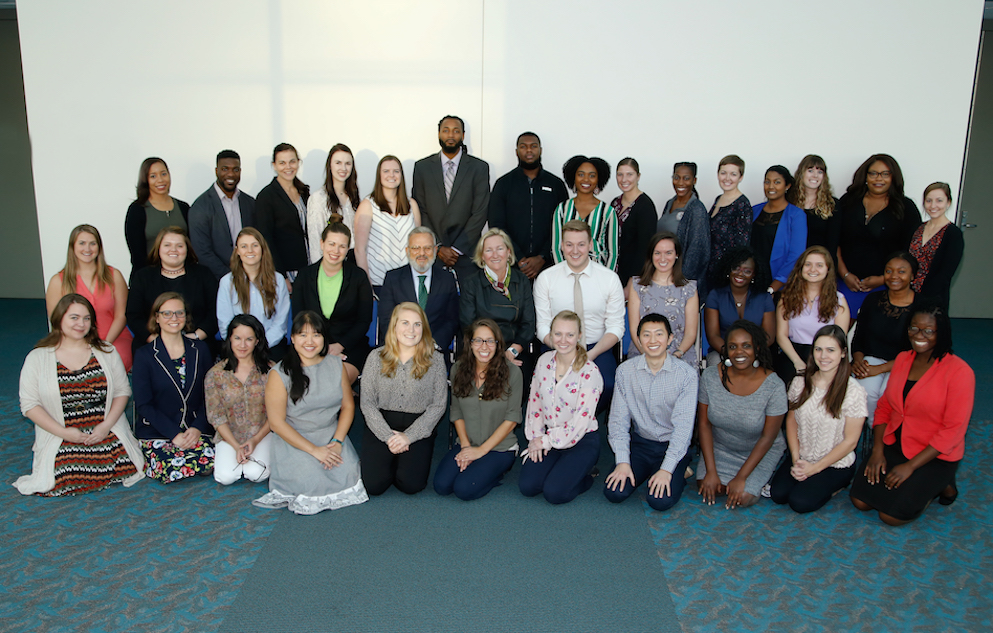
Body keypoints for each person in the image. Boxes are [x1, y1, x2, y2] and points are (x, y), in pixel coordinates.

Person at [850, 300, 974, 525]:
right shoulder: (903, 359)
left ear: (942, 332)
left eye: (929, 331)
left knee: (891, 516)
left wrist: (910, 466)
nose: (920, 335)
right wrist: (878, 450)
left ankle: (941, 484)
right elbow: (885, 408)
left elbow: (953, 430)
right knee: (861, 501)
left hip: (933, 453)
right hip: (896, 442)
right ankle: (934, 484)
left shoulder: (960, 372)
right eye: (914, 328)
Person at [15, 294, 144, 496]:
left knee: (125, 464)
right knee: (66, 473)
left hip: (103, 428)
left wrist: (105, 426)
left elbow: (122, 391)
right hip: (63, 432)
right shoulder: (37, 357)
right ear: (59, 319)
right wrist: (65, 433)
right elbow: (29, 406)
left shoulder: (106, 351)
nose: (80, 324)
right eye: (73, 317)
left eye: (86, 318)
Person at [253, 311, 368, 515]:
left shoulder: (335, 365)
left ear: (324, 338)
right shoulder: (279, 374)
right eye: (303, 335)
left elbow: (348, 407)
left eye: (316, 334)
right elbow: (277, 424)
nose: (310, 341)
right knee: (311, 483)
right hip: (295, 438)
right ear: (293, 338)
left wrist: (338, 442)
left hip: (330, 434)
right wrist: (315, 451)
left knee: (350, 474)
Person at [604, 314, 698, 512]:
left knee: (659, 501)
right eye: (646, 335)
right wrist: (622, 461)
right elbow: (617, 422)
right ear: (638, 340)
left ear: (670, 338)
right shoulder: (625, 371)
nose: (653, 340)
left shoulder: (686, 375)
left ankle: (679, 469)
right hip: (641, 444)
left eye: (659, 334)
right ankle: (650, 470)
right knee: (614, 493)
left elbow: (683, 429)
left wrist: (667, 469)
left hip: (671, 444)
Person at [770, 325, 867, 514]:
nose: (823, 356)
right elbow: (791, 421)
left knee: (800, 503)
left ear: (842, 353)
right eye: (819, 349)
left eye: (831, 350)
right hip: (803, 455)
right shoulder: (800, 382)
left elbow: (851, 441)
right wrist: (797, 459)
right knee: (778, 495)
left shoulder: (853, 391)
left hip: (834, 463)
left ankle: (839, 484)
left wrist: (814, 469)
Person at [697, 320, 787, 509]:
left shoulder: (774, 386)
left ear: (757, 348)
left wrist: (741, 478)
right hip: (721, 445)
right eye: (733, 347)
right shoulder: (710, 377)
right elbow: (704, 425)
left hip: (759, 449)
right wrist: (711, 471)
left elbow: (768, 437)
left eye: (746, 346)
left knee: (742, 497)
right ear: (726, 350)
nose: (739, 352)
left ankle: (766, 474)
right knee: (711, 487)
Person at [359, 303, 447, 496]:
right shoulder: (376, 357)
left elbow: (439, 405)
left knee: (411, 485)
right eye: (405, 323)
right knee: (373, 486)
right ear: (394, 326)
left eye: (417, 324)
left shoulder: (436, 360)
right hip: (382, 423)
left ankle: (400, 460)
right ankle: (390, 458)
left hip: (418, 424)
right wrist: (388, 437)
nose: (411, 330)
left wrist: (409, 436)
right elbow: (367, 402)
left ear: (423, 329)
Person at [519, 310, 604, 505]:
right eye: (558, 334)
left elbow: (580, 423)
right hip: (549, 435)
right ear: (550, 335)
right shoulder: (543, 361)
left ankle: (586, 474)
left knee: (555, 493)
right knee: (528, 486)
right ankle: (563, 468)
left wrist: (547, 442)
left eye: (570, 335)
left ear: (579, 336)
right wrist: (535, 439)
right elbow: (535, 402)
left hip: (581, 439)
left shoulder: (590, 372)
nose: (563, 340)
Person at [433, 319, 523, 500]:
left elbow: (512, 418)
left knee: (464, 489)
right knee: (442, 486)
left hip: (499, 448)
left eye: (490, 341)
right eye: (478, 340)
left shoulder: (512, 372)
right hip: (468, 442)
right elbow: (456, 411)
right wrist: (466, 446)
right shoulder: (458, 369)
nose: (484, 346)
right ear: (470, 343)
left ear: (498, 345)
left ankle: (497, 473)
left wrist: (481, 451)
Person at [534, 220, 625, 395]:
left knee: (606, 385)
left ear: (590, 245)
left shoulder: (609, 279)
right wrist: (561, 347)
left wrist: (591, 355)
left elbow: (616, 326)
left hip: (596, 347)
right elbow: (543, 325)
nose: (575, 251)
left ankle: (587, 421)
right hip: (557, 346)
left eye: (581, 244)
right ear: (562, 245)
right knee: (550, 386)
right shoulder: (546, 278)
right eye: (569, 244)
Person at [132, 292, 214, 484]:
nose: (174, 318)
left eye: (179, 313)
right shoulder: (144, 355)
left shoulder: (200, 349)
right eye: (167, 313)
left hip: (193, 428)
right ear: (157, 318)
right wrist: (174, 434)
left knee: (212, 462)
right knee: (172, 466)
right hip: (159, 430)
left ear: (186, 317)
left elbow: (211, 395)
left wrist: (197, 427)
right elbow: (144, 404)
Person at [836, 154, 921, 316]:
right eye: (873, 173)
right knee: (841, 330)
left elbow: (910, 252)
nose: (878, 178)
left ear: (893, 177)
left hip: (887, 285)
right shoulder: (848, 201)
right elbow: (834, 241)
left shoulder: (906, 208)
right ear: (865, 176)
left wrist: (883, 279)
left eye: (885, 174)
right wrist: (845, 274)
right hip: (846, 282)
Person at [412, 115, 491, 284]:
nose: (450, 135)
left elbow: (480, 212)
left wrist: (456, 249)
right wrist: (438, 246)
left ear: (462, 136)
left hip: (467, 255)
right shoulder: (422, 167)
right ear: (439, 134)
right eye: (446, 130)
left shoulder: (479, 168)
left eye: (456, 131)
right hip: (432, 255)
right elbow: (420, 209)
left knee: (467, 308)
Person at [292, 222, 373, 384]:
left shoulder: (358, 277)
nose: (336, 251)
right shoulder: (304, 276)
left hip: (350, 345)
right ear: (322, 244)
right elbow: (299, 318)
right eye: (332, 244)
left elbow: (364, 320)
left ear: (348, 249)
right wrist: (318, 347)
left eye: (342, 246)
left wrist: (340, 345)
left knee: (336, 381)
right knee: (308, 381)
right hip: (310, 344)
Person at [45, 225, 134, 370]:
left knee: (116, 360)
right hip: (74, 340)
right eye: (82, 243)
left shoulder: (114, 275)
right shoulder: (58, 281)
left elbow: (121, 315)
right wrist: (81, 346)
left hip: (113, 338)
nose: (88, 249)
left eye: (93, 243)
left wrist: (104, 344)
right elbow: (57, 321)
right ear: (72, 247)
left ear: (99, 247)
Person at [127, 226, 219, 357]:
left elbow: (214, 312)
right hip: (152, 345)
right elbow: (134, 315)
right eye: (167, 245)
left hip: (197, 344)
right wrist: (157, 341)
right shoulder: (143, 277)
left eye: (179, 246)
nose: (173, 250)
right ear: (158, 248)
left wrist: (196, 337)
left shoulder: (204, 275)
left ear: (187, 249)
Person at [488, 131, 569, 280]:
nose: (529, 150)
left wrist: (543, 256)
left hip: (549, 266)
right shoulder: (504, 184)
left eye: (533, 146)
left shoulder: (556, 184)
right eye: (523, 146)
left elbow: (563, 225)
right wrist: (518, 257)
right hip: (511, 264)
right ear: (517, 151)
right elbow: (496, 224)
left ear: (540, 150)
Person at [206, 315, 272, 485]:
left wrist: (255, 439)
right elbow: (216, 415)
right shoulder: (216, 374)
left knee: (256, 473)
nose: (242, 345)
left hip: (262, 433)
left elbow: (277, 412)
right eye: (237, 338)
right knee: (225, 477)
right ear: (229, 339)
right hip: (229, 436)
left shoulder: (272, 371)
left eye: (249, 339)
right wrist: (236, 446)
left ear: (257, 341)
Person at [851, 252, 917, 424]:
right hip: (871, 359)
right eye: (889, 271)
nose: (894, 276)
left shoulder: (922, 305)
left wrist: (881, 369)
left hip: (906, 363)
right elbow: (858, 337)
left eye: (901, 272)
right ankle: (874, 432)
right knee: (864, 393)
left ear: (913, 276)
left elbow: (919, 352)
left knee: (889, 395)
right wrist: (858, 362)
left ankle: (885, 436)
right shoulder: (872, 300)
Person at [459, 228, 536, 371]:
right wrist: (489, 351)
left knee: (520, 373)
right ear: (482, 256)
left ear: (508, 252)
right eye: (488, 250)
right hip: (481, 348)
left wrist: (512, 352)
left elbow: (528, 324)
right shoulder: (471, 283)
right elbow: (468, 324)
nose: (495, 255)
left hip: (514, 349)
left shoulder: (522, 280)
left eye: (499, 249)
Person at [378, 227, 460, 358]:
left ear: (434, 250)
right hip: (399, 352)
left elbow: (452, 320)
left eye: (427, 248)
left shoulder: (447, 279)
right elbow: (386, 319)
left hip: (433, 352)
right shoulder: (393, 278)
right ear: (407, 251)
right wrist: (405, 346)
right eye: (416, 248)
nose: (422, 253)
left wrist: (433, 345)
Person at [775, 246, 850, 383]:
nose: (812, 269)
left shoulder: (839, 300)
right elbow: (781, 335)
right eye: (807, 264)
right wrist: (797, 362)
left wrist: (822, 362)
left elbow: (839, 339)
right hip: (793, 354)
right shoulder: (786, 298)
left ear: (828, 270)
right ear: (800, 268)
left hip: (825, 356)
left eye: (819, 265)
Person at [217, 228, 291, 361]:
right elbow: (225, 324)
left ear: (262, 249)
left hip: (271, 346)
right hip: (238, 348)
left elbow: (280, 323)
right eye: (244, 246)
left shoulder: (278, 280)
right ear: (237, 251)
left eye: (255, 245)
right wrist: (244, 345)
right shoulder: (227, 282)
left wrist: (260, 345)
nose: (250, 251)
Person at [628, 232, 699, 367]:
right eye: (657, 253)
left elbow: (690, 333)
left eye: (668, 253)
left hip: (679, 356)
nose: (662, 258)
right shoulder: (637, 285)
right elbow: (634, 328)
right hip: (643, 353)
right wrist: (648, 356)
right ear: (651, 255)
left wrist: (676, 356)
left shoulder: (689, 289)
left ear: (676, 255)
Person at [353, 155, 420, 291]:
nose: (392, 175)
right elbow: (359, 250)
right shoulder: (368, 205)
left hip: (408, 281)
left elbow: (418, 245)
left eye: (396, 171)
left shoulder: (411, 205)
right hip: (379, 282)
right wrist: (367, 286)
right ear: (379, 175)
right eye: (386, 171)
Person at [188, 149, 257, 279]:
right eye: (225, 169)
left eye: (235, 169)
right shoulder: (200, 206)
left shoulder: (250, 203)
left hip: (250, 277)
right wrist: (231, 277)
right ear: (216, 171)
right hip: (217, 281)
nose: (230, 174)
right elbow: (202, 252)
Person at [704, 246, 775, 368]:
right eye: (736, 268)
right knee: (715, 365)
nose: (740, 274)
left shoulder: (764, 298)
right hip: (722, 352)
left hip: (756, 353)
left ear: (754, 275)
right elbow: (713, 336)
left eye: (747, 271)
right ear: (728, 269)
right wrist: (732, 354)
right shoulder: (715, 295)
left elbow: (768, 336)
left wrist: (750, 354)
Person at [551, 155, 618, 271]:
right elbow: (556, 248)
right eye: (581, 174)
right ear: (573, 177)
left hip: (597, 275)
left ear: (599, 179)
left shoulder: (608, 212)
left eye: (592, 175)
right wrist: (564, 275)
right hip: (567, 274)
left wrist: (606, 279)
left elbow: (612, 253)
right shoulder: (562, 209)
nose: (586, 179)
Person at [255, 143, 310, 282]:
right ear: (274, 165)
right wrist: (280, 275)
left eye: (292, 161)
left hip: (308, 265)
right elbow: (265, 239)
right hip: (286, 270)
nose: (288, 167)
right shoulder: (266, 197)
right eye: (282, 163)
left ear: (298, 162)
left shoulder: (304, 192)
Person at [125, 157, 190, 270]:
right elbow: (137, 255)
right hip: (148, 278)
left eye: (163, 174)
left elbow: (191, 247)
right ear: (145, 180)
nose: (160, 180)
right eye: (153, 176)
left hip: (182, 277)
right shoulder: (137, 210)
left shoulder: (183, 207)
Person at [751, 165, 807, 292]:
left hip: (779, 285)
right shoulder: (754, 210)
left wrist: (773, 287)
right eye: (767, 181)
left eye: (777, 182)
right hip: (752, 281)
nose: (771, 186)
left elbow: (796, 255)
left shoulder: (796, 215)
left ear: (787, 186)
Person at [909, 182, 964, 311]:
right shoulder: (916, 228)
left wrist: (922, 297)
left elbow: (945, 273)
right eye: (929, 201)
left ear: (948, 203)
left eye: (939, 201)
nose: (933, 206)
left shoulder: (953, 234)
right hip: (906, 294)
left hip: (933, 296)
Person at [657, 161, 711, 288]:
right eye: (676, 177)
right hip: (664, 273)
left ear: (694, 180)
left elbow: (697, 251)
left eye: (686, 178)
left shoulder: (696, 209)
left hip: (680, 280)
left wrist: (680, 280)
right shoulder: (670, 203)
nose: (680, 183)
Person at [306, 143, 360, 263]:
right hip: (331, 263)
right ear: (330, 165)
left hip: (353, 262)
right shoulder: (318, 199)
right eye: (338, 163)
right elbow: (315, 244)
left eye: (348, 163)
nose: (343, 168)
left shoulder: (353, 196)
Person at [706, 155, 751, 293]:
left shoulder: (742, 204)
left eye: (733, 174)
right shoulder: (719, 199)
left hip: (726, 274)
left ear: (740, 177)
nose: (727, 178)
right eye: (723, 173)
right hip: (710, 270)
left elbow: (743, 246)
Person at [611, 157, 658, 287]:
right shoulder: (615, 203)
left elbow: (645, 248)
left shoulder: (645, 206)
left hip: (632, 277)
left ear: (638, 176)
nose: (624, 179)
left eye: (629, 174)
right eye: (620, 174)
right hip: (613, 272)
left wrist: (633, 280)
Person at [788, 154, 839, 265]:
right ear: (801, 173)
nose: (815, 176)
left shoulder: (833, 205)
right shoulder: (788, 201)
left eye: (820, 172)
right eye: (810, 170)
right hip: (792, 264)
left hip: (819, 265)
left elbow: (833, 244)